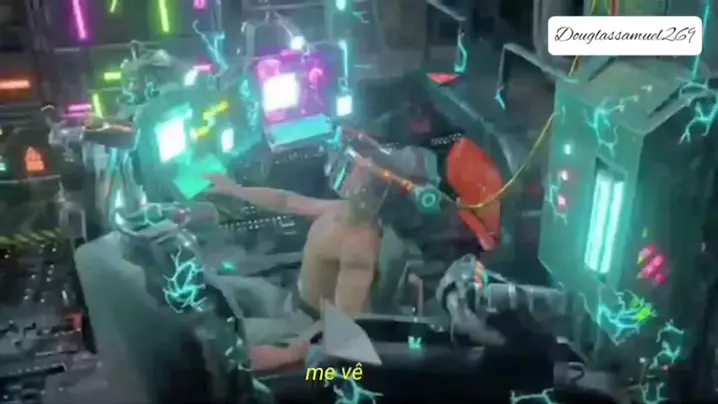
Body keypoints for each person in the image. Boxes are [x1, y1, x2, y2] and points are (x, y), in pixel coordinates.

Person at [204, 173, 381, 320]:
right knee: (212, 284)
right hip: (292, 298)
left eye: (359, 172)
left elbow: (347, 321)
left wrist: (295, 349)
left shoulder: (359, 246)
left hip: (306, 323)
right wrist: (236, 190)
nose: (349, 172)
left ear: (367, 192)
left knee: (223, 332)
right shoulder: (339, 209)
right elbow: (285, 200)